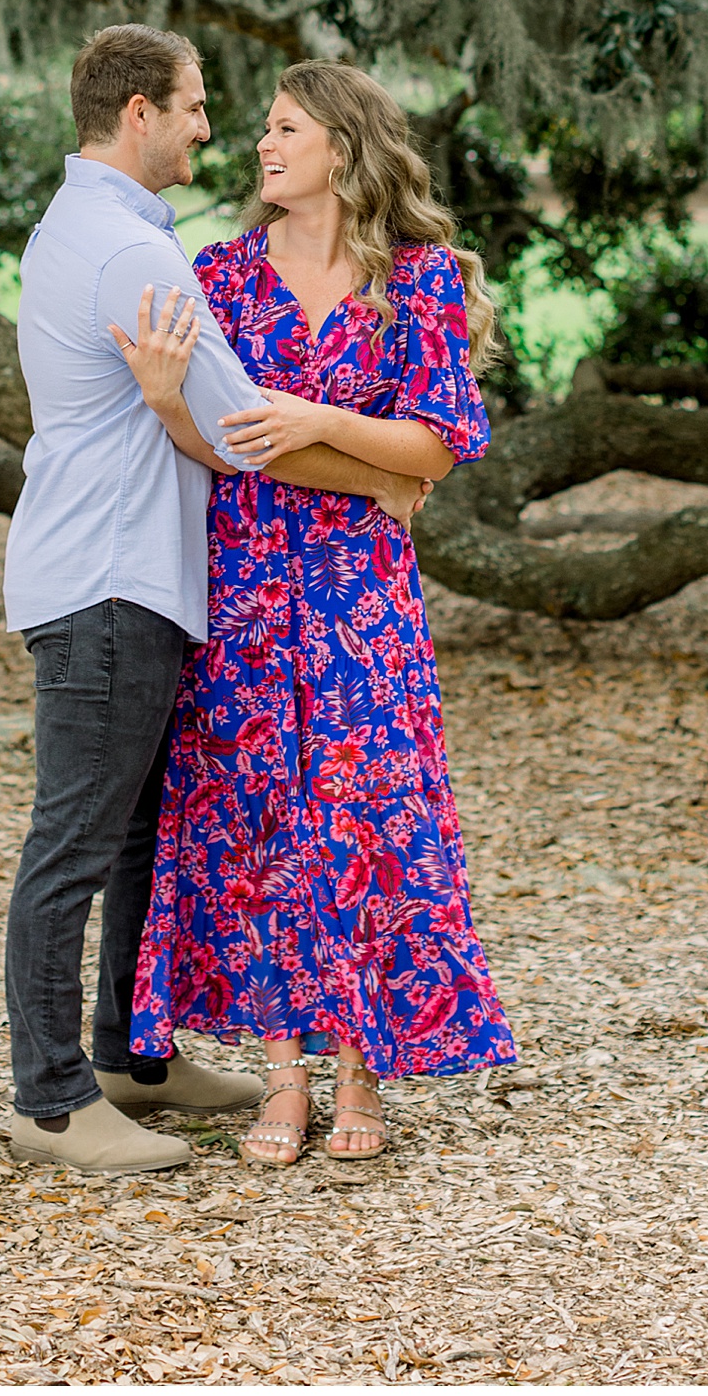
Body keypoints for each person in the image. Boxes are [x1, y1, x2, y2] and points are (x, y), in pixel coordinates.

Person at [2, 25, 425, 1174]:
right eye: (193, 107)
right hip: (110, 578)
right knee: (75, 840)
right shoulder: (137, 256)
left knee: (141, 827)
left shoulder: (94, 226)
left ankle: (135, 1058)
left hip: (135, 575)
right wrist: (389, 475)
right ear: (139, 111)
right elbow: (248, 435)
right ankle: (52, 1100)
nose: (211, 128)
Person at [130, 61, 516, 1163]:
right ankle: (282, 1075)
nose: (260, 143)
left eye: (284, 126)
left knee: (358, 819)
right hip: (246, 589)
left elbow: (437, 445)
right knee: (257, 824)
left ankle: (360, 1072)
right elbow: (223, 444)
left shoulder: (423, 281)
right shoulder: (221, 275)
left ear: (342, 146)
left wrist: (308, 419)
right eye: (261, 127)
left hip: (361, 599)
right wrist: (174, 403)